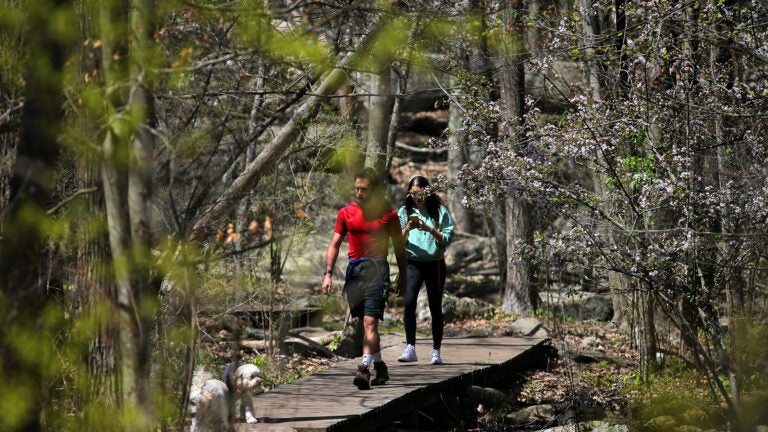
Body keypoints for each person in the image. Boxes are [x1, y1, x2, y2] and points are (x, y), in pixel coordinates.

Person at [322, 167, 407, 390]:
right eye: (357, 189)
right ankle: (380, 366)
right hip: (355, 273)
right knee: (363, 321)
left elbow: (399, 249)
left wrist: (403, 276)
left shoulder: (389, 215)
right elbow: (335, 244)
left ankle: (364, 368)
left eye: (365, 189)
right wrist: (328, 274)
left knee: (371, 322)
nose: (360, 193)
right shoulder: (345, 213)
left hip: (377, 272)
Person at [396, 176, 455, 365]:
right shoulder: (405, 211)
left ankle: (436, 351)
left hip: (435, 263)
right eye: (413, 193)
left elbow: (447, 237)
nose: (416, 197)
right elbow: (397, 241)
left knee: (435, 306)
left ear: (427, 192)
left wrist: (429, 229)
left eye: (419, 193)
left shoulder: (439, 211)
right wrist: (407, 228)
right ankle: (410, 347)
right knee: (409, 302)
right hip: (412, 263)